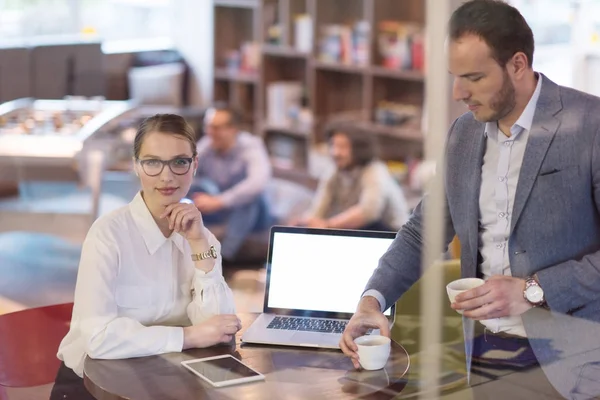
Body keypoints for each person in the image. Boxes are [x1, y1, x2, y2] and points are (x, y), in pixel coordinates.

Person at [341, 0, 600, 397]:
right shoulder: (463, 133)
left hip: (574, 361)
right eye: (455, 76)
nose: (459, 92)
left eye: (474, 77)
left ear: (518, 64)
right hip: (484, 354)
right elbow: (421, 232)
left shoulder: (590, 126)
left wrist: (533, 290)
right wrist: (372, 300)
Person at [51, 114, 240, 399]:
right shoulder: (108, 234)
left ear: (194, 165)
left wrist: (199, 243)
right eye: (152, 162)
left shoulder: (203, 237)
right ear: (136, 166)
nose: (167, 176)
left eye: (179, 162)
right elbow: (98, 337)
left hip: (165, 376)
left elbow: (219, 328)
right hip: (95, 384)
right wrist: (189, 336)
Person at [188, 103, 273, 261]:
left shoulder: (250, 146)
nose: (210, 133)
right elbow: (187, 171)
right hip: (224, 211)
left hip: (254, 214)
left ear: (234, 129)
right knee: (191, 186)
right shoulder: (207, 145)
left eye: (216, 128)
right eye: (208, 127)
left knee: (250, 199)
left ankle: (225, 257)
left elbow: (257, 183)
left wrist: (220, 201)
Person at [292, 125, 409, 231]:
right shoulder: (334, 172)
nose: (335, 152)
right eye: (333, 145)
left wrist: (328, 225)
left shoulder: (375, 171)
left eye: (343, 147)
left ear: (359, 149)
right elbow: (319, 207)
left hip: (391, 233)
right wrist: (305, 223)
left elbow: (368, 212)